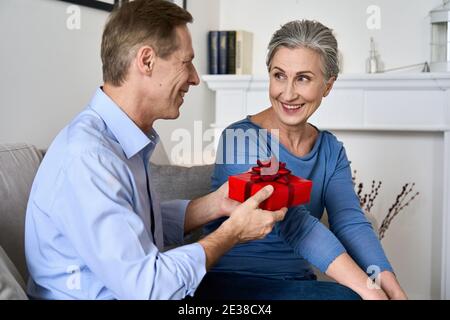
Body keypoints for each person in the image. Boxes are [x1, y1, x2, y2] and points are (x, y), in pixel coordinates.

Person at [24, 0, 287, 300]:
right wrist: (232, 233)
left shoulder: (121, 140)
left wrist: (214, 204)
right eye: (186, 61)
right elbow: (149, 288)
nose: (195, 77)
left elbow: (129, 225)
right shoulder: (89, 158)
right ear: (146, 61)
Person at [196, 20, 408, 300]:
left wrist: (393, 290)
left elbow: (350, 222)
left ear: (328, 86)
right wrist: (371, 291)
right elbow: (293, 222)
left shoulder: (330, 150)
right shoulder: (241, 138)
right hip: (231, 284)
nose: (288, 93)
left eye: (303, 78)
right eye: (279, 75)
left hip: (297, 284)